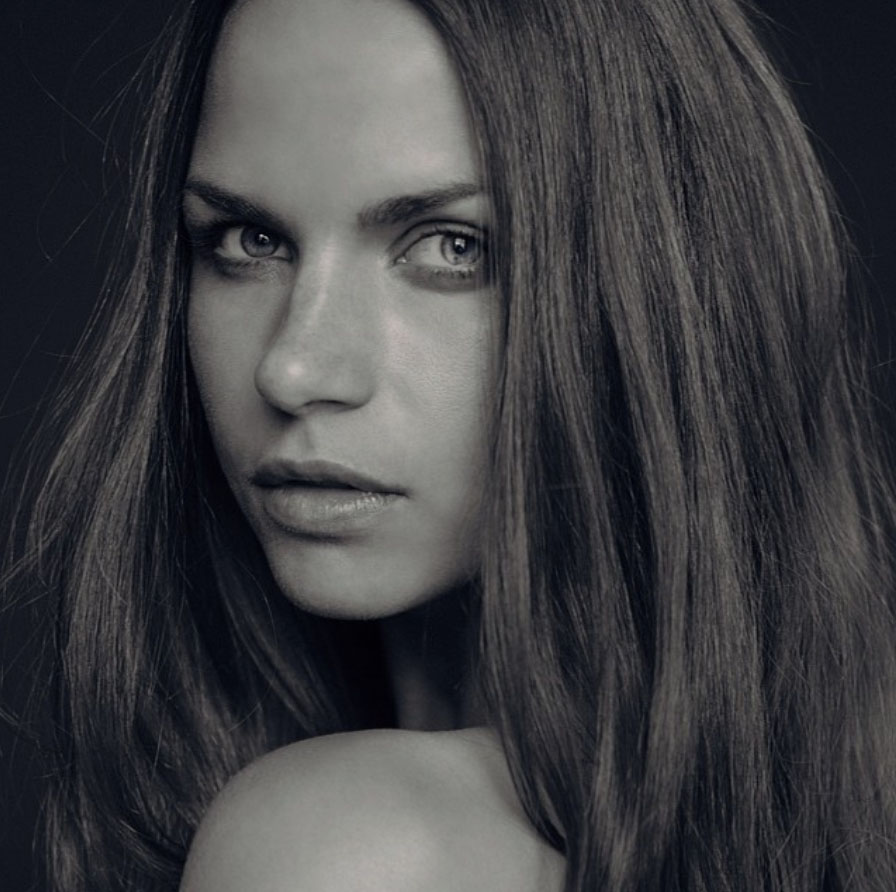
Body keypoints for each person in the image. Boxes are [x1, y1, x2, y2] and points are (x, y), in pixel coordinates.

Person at [9, 0, 895, 889]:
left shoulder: (343, 846)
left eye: (450, 247)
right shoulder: (821, 802)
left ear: (666, 294)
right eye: (251, 241)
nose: (293, 366)